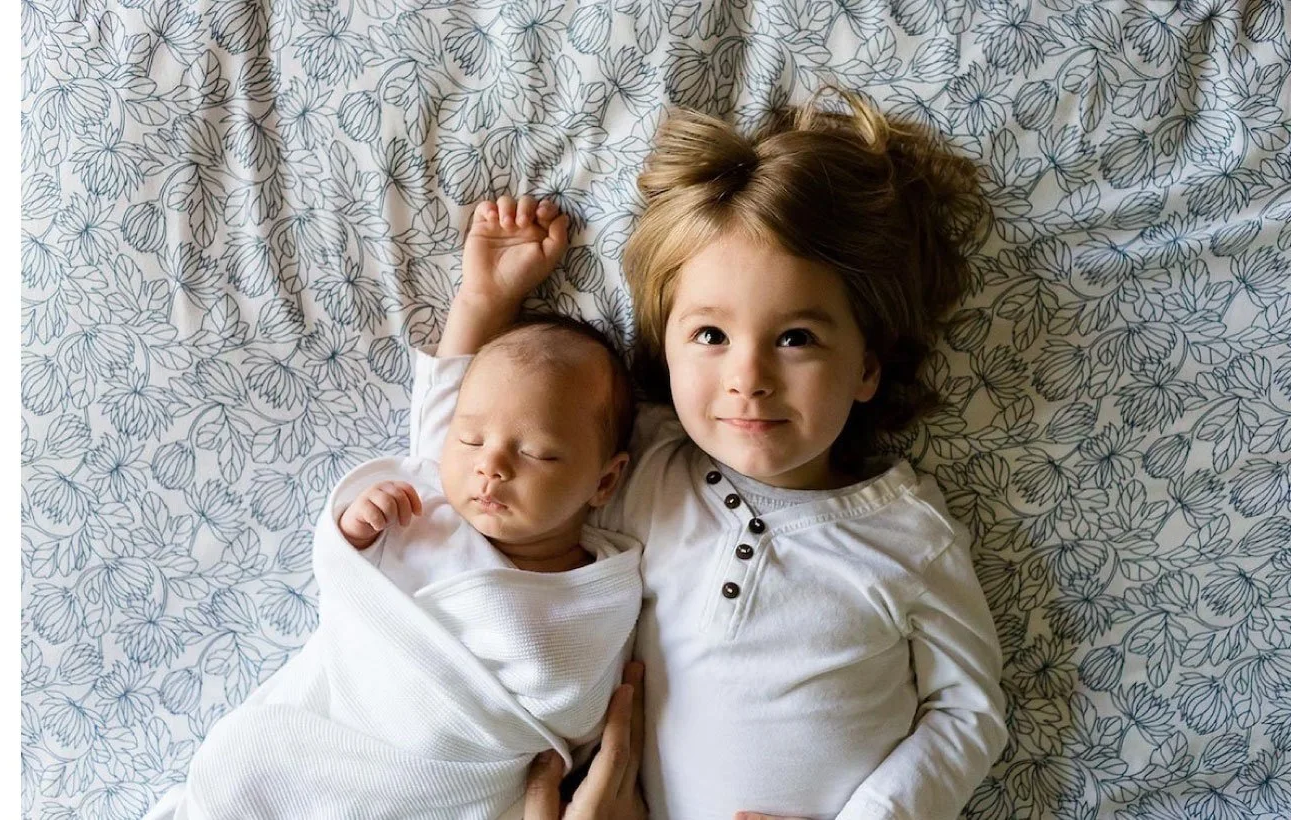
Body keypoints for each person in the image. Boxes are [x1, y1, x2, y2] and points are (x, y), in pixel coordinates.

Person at [426, 89, 1007, 820]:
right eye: (710, 336)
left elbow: (970, 712)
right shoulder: (637, 469)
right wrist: (483, 306)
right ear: (664, 351)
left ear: (867, 367)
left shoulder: (907, 535)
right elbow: (469, 465)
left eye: (796, 338)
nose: (748, 379)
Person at [144, 304, 646, 818]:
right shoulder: (424, 507)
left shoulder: (600, 592)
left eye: (537, 452)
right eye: (470, 439)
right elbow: (352, 588)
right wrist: (355, 533)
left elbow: (579, 708)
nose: (489, 465)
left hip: (444, 782)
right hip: (331, 738)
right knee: (246, 763)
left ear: (605, 481)